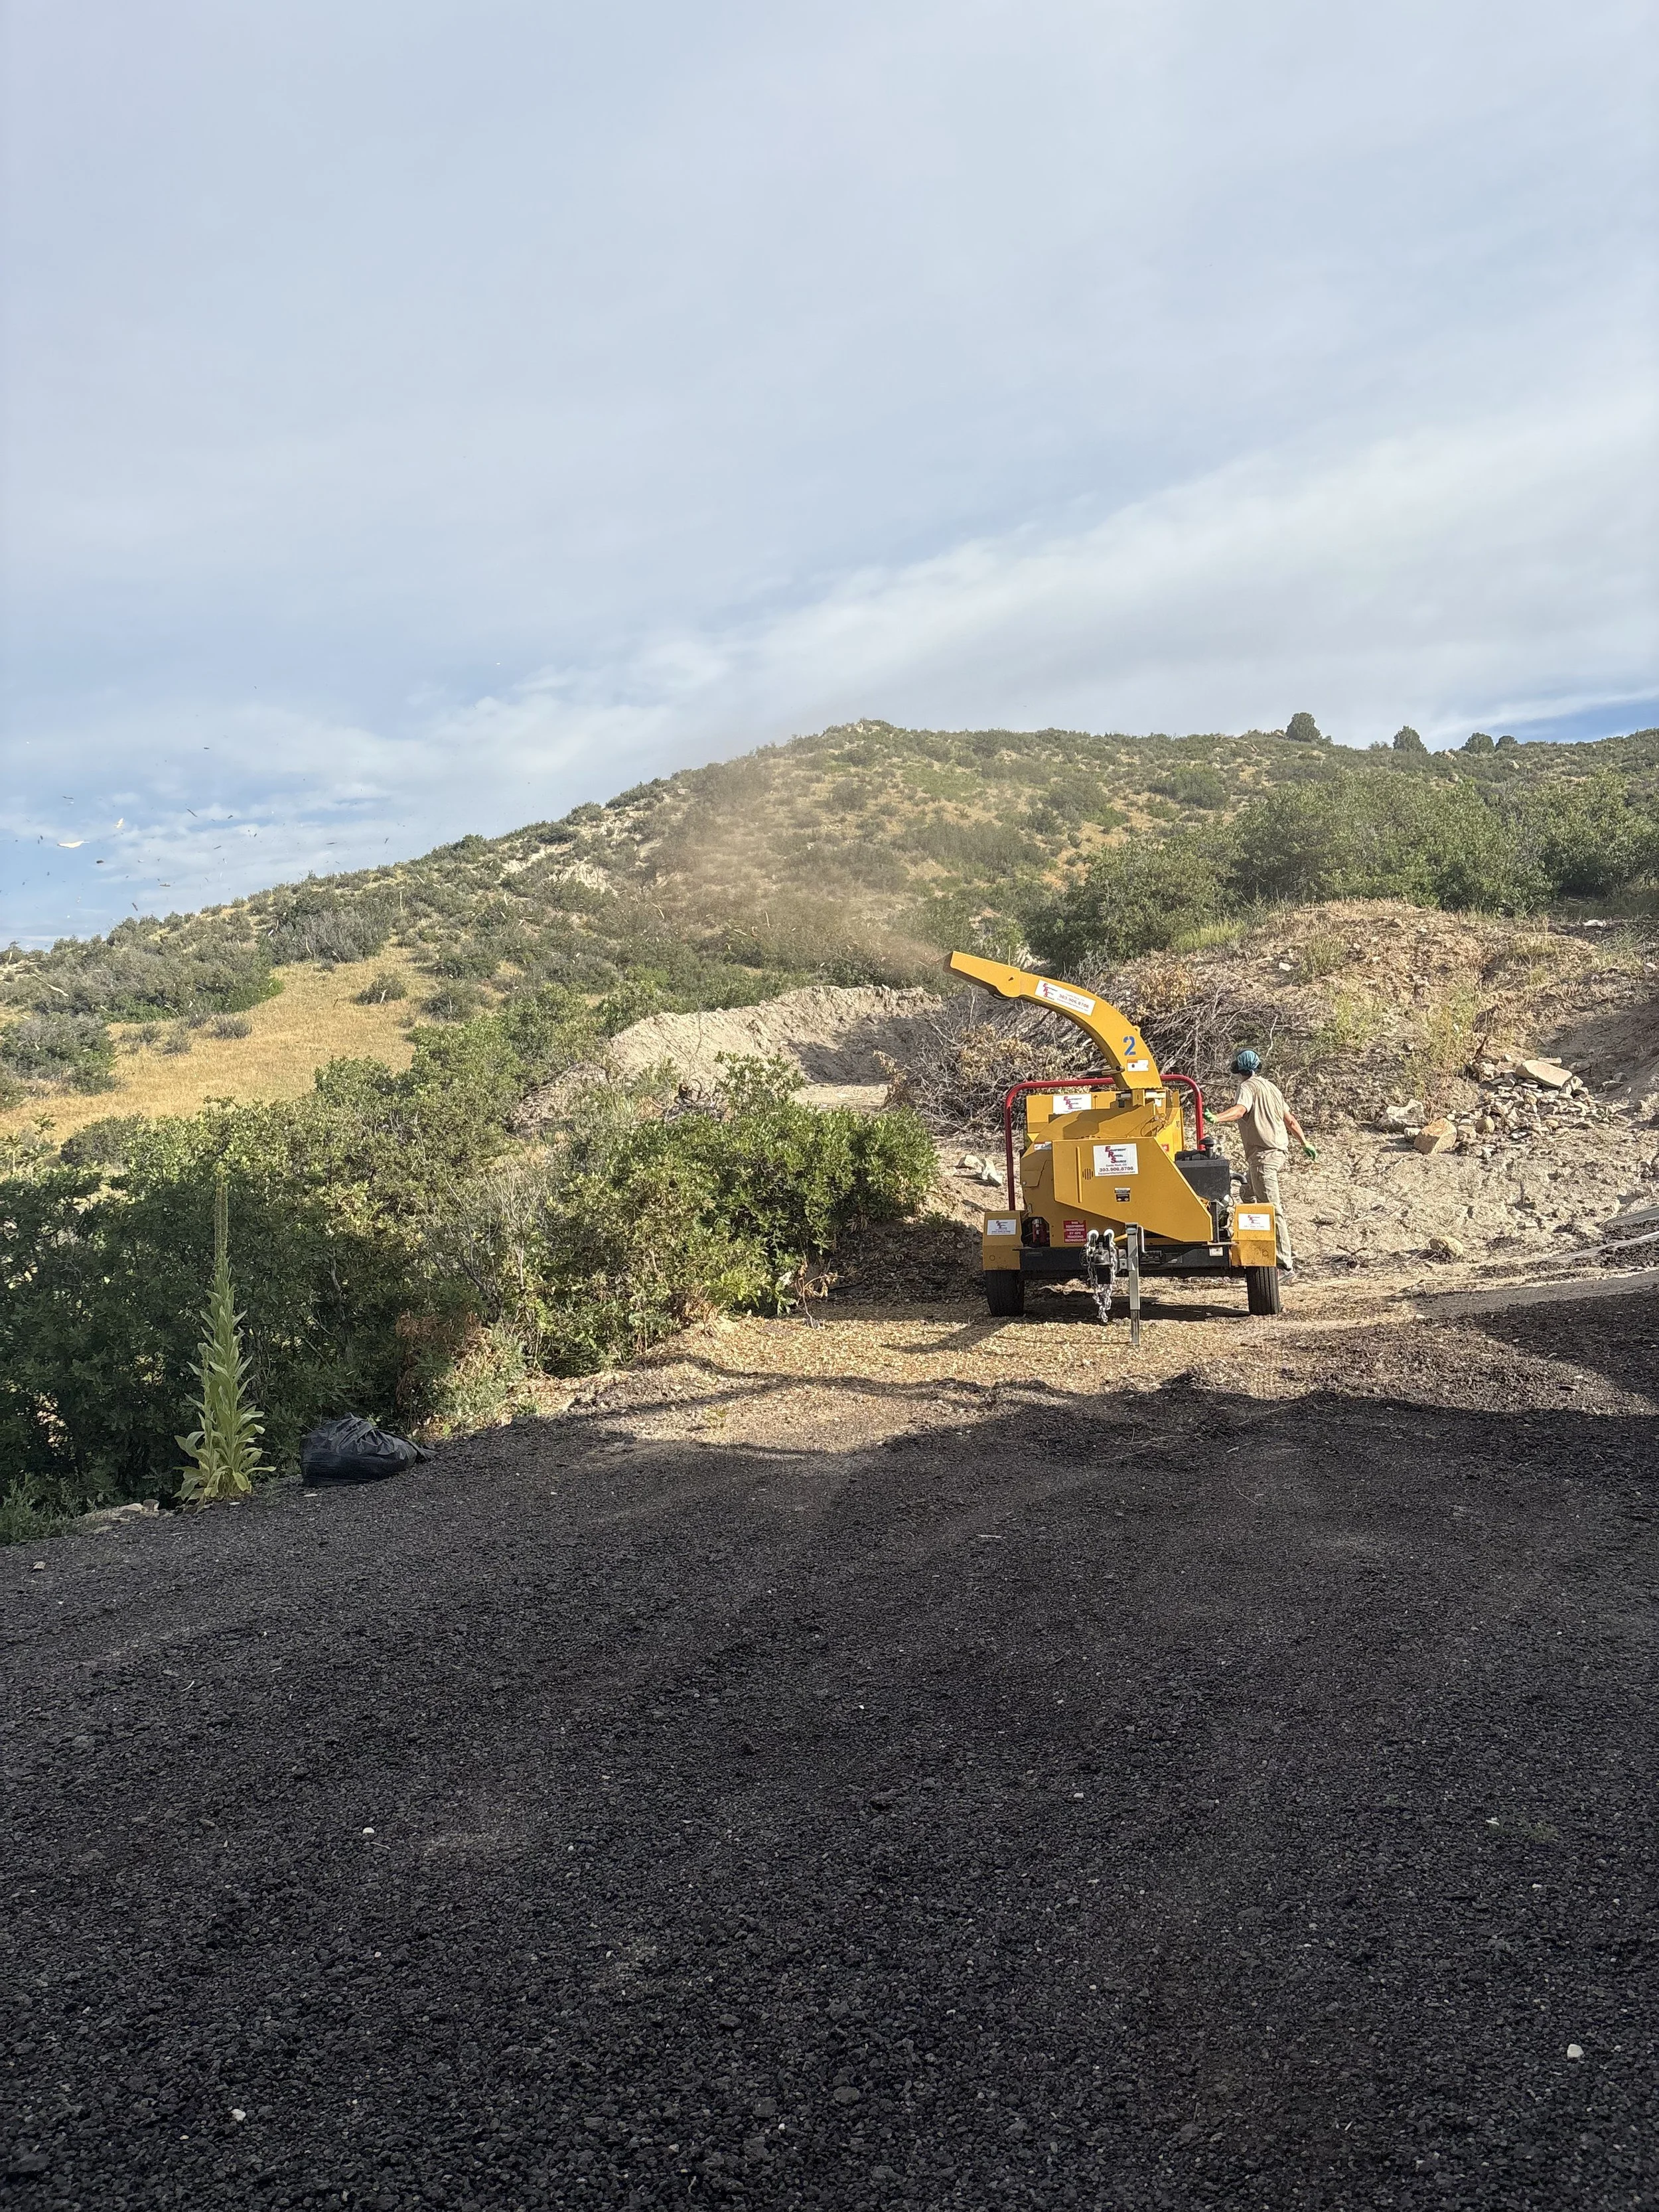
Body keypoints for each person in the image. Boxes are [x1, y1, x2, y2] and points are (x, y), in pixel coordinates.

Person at [1208, 1049, 1313, 1274]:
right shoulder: (1272, 1087)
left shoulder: (1247, 1087)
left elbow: (1240, 1110)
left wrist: (1217, 1118)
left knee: (1272, 1208)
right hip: (1278, 1152)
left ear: (1239, 1070)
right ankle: (1254, 1246)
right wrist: (1305, 1144)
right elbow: (1291, 1121)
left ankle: (1284, 1264)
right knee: (1247, 1192)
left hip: (1263, 1156)